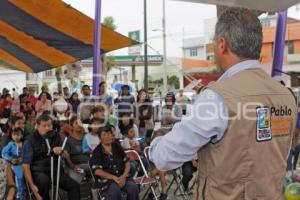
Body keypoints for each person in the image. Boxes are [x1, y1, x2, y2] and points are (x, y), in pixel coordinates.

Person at [149, 8, 298, 199]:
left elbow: (165, 156)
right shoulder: (286, 96)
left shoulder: (218, 96)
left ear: (222, 44)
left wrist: (155, 144)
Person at [22, 114, 80, 200]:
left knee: (74, 186)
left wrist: (62, 152)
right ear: (37, 126)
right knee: (45, 182)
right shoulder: (30, 141)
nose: (47, 128)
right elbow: (25, 166)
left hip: (56, 170)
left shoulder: (56, 136)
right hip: (39, 171)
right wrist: (32, 187)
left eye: (49, 125)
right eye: (44, 125)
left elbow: (64, 154)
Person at [89, 125, 139, 200]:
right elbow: (97, 171)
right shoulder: (97, 152)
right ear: (100, 138)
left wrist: (124, 176)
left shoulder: (117, 146)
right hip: (107, 181)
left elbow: (127, 162)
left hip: (122, 177)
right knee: (115, 192)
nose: (108, 136)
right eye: (104, 134)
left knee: (133, 188)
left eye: (109, 134)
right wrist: (114, 178)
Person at [64, 116, 90, 183]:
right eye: (76, 123)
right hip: (76, 167)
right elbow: (66, 158)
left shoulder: (88, 137)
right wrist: (73, 167)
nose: (79, 125)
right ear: (72, 126)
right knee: (74, 180)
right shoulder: (68, 140)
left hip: (89, 165)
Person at [2, 128, 25, 200]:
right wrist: (10, 159)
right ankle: (19, 195)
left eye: (18, 135)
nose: (16, 136)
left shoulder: (24, 143)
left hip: (25, 163)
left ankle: (24, 192)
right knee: (20, 177)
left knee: (27, 177)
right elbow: (3, 153)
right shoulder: (11, 144)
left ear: (21, 135)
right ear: (11, 136)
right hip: (16, 164)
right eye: (14, 135)